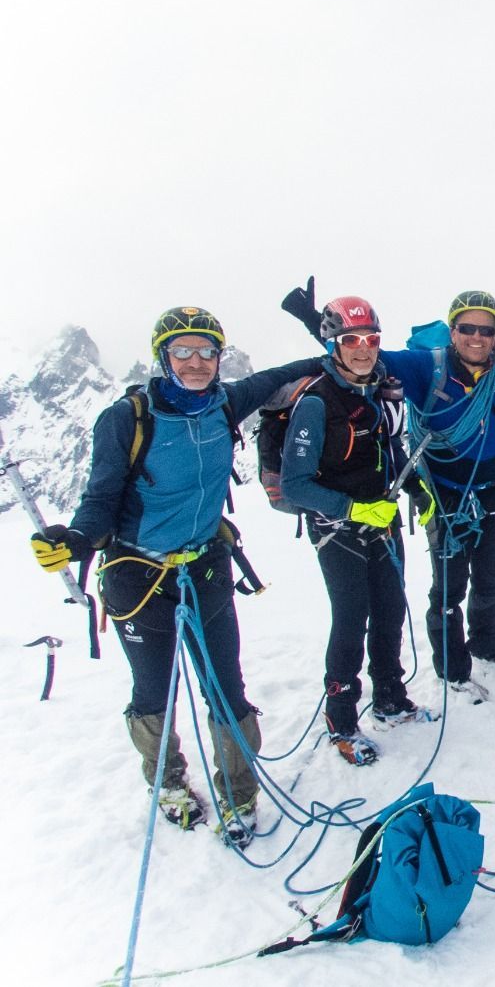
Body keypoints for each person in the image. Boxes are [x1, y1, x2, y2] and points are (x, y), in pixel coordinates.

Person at [30, 307, 319, 845]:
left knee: (225, 686)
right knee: (154, 690)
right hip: (138, 576)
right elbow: (100, 498)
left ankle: (238, 793)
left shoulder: (225, 402)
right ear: (162, 357)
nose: (195, 362)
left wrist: (343, 349)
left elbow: (282, 375)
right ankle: (167, 783)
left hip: (205, 566)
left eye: (207, 351)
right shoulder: (127, 419)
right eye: (182, 351)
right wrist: (75, 539)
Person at [283, 282, 495, 702]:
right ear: (452, 332)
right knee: (449, 587)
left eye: (486, 330)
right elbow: (364, 357)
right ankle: (453, 671)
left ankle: (487, 648)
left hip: (494, 489)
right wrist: (317, 323)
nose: (476, 337)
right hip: (444, 493)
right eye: (467, 328)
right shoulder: (425, 367)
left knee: (491, 578)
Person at [278, 296, 422, 766]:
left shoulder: (380, 389)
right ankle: (341, 719)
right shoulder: (316, 403)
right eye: (351, 340)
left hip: (382, 519)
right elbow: (295, 484)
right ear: (334, 345)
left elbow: (390, 447)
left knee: (390, 611)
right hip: (337, 527)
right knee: (350, 618)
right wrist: (354, 509)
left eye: (371, 339)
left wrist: (418, 490)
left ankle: (390, 698)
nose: (363, 348)